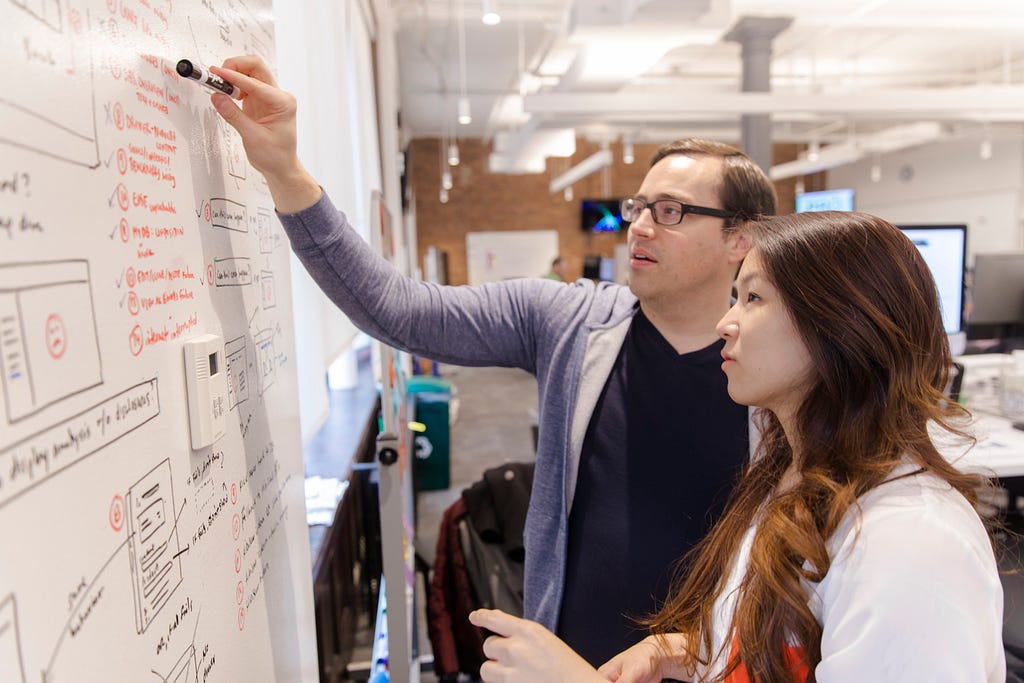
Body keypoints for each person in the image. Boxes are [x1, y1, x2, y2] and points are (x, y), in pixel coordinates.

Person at [208, 55, 777, 666]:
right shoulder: (569, 321)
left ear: (740, 239)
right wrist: (286, 172)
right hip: (564, 666)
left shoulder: (783, 372)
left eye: (670, 211)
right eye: (638, 207)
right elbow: (397, 311)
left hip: (721, 667)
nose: (638, 227)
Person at [468, 211, 1005, 682]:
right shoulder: (792, 481)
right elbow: (794, 648)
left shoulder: (909, 545)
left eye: (753, 298)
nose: (725, 323)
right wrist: (695, 651)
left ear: (839, 326)